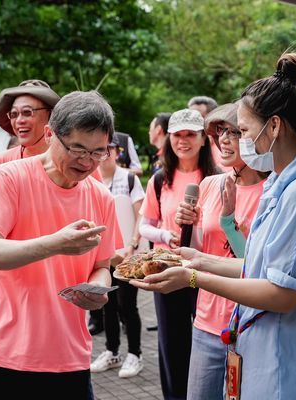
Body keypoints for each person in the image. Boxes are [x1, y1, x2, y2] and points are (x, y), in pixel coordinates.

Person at [134, 53, 296, 399]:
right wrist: (196, 260)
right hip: (266, 349)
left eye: (243, 130)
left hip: (286, 362)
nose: (239, 141)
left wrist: (193, 278)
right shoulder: (285, 183)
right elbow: (260, 267)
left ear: (274, 126)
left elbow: (282, 294)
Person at [0, 91, 122, 400]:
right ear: (51, 134)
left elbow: (103, 265)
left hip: (69, 355)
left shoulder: (100, 195)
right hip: (6, 352)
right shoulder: (10, 178)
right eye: (77, 148)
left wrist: (97, 289)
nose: (87, 161)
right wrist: (55, 244)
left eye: (98, 152)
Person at [174, 102, 267, 399]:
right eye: (220, 133)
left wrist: (230, 224)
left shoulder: (273, 192)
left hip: (251, 323)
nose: (224, 140)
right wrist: (188, 227)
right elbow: (202, 252)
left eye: (235, 132)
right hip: (206, 322)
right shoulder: (211, 184)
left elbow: (255, 266)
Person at [138, 108, 217, 400]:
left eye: (190, 135)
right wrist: (164, 235)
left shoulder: (216, 178)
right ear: (169, 138)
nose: (183, 141)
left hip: (206, 270)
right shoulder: (160, 179)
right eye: (177, 135)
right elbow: (144, 226)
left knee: (207, 339)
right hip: (167, 269)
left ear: (203, 139)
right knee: (171, 343)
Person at [91, 135, 146, 378]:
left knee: (128, 306)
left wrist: (133, 246)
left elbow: (141, 214)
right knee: (107, 305)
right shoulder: (91, 180)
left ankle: (135, 354)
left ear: (117, 151)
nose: (105, 154)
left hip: (128, 256)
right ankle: (112, 351)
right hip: (104, 256)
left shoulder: (129, 178)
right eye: (101, 150)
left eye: (109, 149)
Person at [188, 96, 227, 169]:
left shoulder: (225, 147)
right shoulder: (182, 147)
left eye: (198, 117)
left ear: (214, 119)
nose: (192, 121)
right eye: (189, 117)